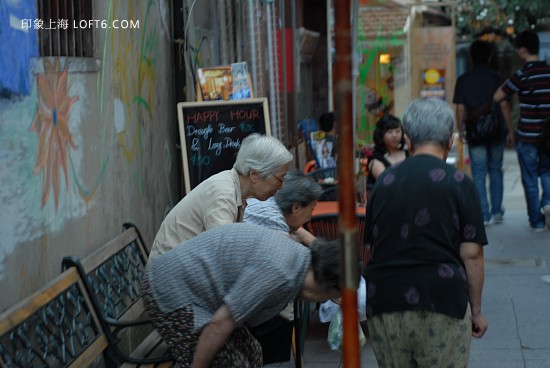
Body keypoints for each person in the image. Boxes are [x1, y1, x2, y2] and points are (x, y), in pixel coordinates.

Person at [363, 98, 488, 367]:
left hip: (385, 302)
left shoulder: (384, 182)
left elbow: (371, 250)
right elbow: (472, 254)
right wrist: (476, 311)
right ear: (451, 140)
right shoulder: (459, 183)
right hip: (442, 301)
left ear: (407, 139)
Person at [141, 222, 342, 367]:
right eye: (331, 296)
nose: (326, 300)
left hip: (197, 295)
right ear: (323, 284)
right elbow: (219, 324)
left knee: (252, 351)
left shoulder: (299, 261)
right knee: (230, 363)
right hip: (170, 292)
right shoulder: (280, 272)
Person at [149, 133, 293, 257]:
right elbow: (224, 253)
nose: (281, 187)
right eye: (280, 179)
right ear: (254, 175)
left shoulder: (234, 190)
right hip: (166, 279)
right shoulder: (224, 194)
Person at [243, 170, 321, 364]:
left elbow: (296, 233)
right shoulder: (276, 223)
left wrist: (306, 238)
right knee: (282, 308)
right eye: (310, 211)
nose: (310, 218)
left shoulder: (266, 204)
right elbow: (291, 274)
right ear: (295, 207)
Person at [494, 30, 550, 231]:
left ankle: (536, 221)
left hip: (527, 135)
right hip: (549, 137)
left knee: (529, 178)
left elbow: (498, 96)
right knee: (547, 172)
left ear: (523, 50)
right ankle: (548, 203)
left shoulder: (522, 75)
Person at [454, 40, 514, 226]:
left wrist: (461, 129)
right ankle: (497, 211)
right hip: (495, 131)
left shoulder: (463, 80)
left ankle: (484, 214)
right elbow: (504, 105)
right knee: (496, 169)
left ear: (472, 58)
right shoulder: (497, 78)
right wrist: (510, 130)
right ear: (488, 57)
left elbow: (460, 109)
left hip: (475, 133)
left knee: (478, 173)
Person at [366, 114, 408, 187]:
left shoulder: (409, 153)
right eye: (390, 132)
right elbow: (387, 182)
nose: (394, 135)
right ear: (380, 134)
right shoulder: (375, 158)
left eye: (398, 131)